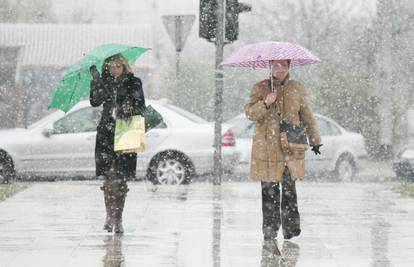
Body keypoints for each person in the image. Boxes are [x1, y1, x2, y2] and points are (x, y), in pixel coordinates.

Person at [245, 59, 322, 241]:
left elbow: (307, 116)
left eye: (284, 65)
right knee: (269, 190)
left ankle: (291, 231)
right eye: (276, 65)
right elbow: (250, 114)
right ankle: (270, 230)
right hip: (266, 149)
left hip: (290, 147)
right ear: (271, 66)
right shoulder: (260, 88)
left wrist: (315, 141)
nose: (280, 68)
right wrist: (265, 102)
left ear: (289, 67)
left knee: (289, 189)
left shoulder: (297, 88)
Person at [89, 53, 146, 234]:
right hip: (106, 132)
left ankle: (119, 219)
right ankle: (109, 215)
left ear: (124, 66)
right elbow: (94, 101)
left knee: (121, 179)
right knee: (109, 177)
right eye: (110, 66)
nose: (114, 69)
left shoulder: (134, 82)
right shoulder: (103, 82)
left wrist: (129, 107)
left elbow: (141, 106)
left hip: (127, 130)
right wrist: (97, 80)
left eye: (117, 65)